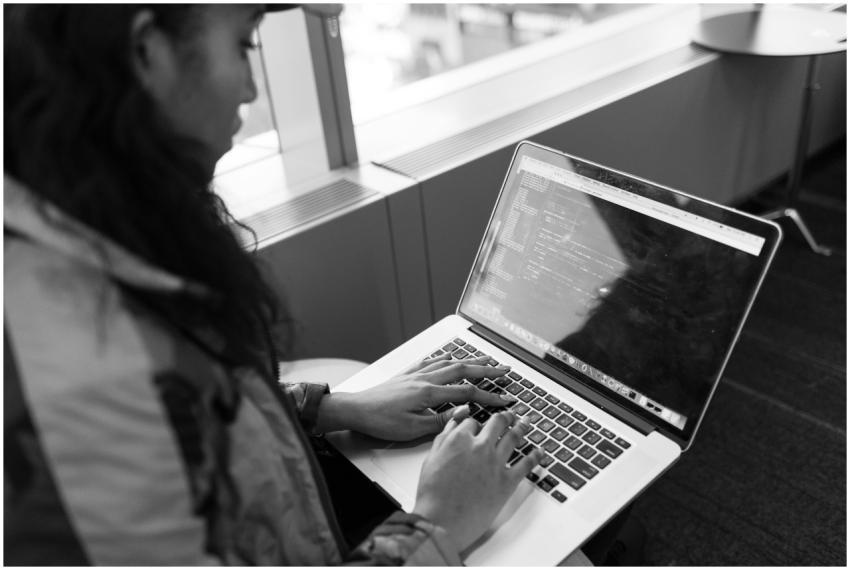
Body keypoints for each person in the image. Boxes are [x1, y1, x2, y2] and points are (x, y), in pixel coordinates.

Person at [4, 4, 546, 565]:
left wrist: (332, 409)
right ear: (149, 53)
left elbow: (205, 418)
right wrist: (437, 524)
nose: (249, 87)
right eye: (244, 46)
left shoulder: (98, 224)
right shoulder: (90, 388)